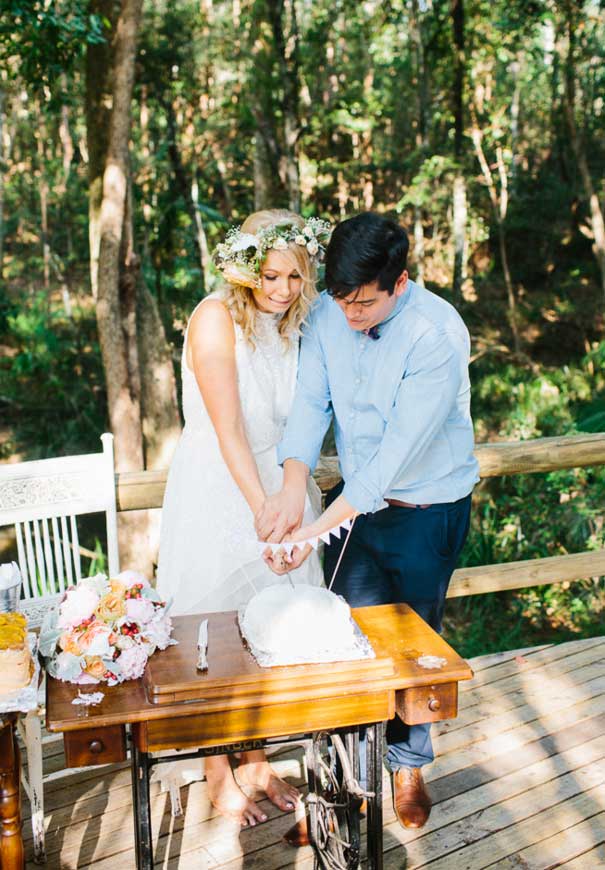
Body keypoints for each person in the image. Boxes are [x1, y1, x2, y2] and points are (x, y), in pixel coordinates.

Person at [256, 211, 479, 831]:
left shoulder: (437, 335)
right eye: (342, 301)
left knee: (414, 647)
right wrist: (294, 484)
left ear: (400, 283)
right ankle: (338, 788)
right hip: (356, 509)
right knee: (341, 645)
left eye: (364, 304)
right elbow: (311, 399)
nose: (350, 316)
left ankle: (408, 764)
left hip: (424, 511)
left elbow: (391, 461)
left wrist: (315, 529)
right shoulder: (330, 312)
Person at [156, 209, 329, 827]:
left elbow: (302, 422)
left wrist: (291, 507)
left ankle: (256, 760)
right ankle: (216, 771)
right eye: (271, 276)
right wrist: (261, 509)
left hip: (280, 489)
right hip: (220, 489)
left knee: (270, 631)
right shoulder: (213, 317)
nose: (282, 291)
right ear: (245, 268)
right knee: (214, 636)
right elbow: (228, 426)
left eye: (295, 278)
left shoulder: (294, 326)